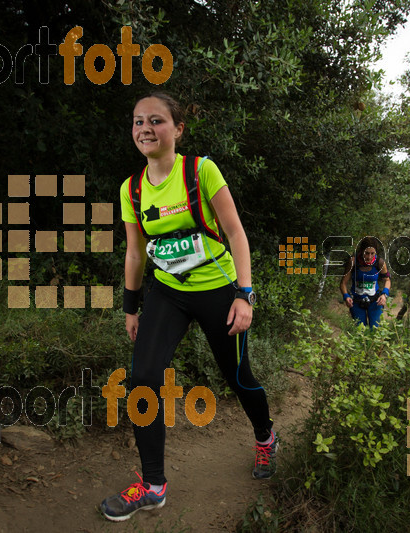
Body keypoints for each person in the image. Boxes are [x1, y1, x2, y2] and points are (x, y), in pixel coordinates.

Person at [100, 92, 277, 522]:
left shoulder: (201, 171)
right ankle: (153, 484)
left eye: (156, 121)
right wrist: (130, 307)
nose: (146, 128)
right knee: (142, 377)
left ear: (177, 129)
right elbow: (135, 253)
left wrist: (244, 293)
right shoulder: (132, 189)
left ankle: (265, 437)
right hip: (167, 292)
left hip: (218, 289)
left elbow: (236, 234)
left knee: (238, 376)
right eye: (139, 121)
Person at [340, 238, 391, 328]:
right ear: (361, 251)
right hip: (356, 302)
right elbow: (343, 283)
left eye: (372, 253)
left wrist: (384, 294)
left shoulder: (380, 262)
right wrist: (346, 296)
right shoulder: (353, 262)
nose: (369, 257)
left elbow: (387, 280)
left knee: (375, 331)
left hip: (375, 302)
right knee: (360, 332)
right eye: (367, 253)